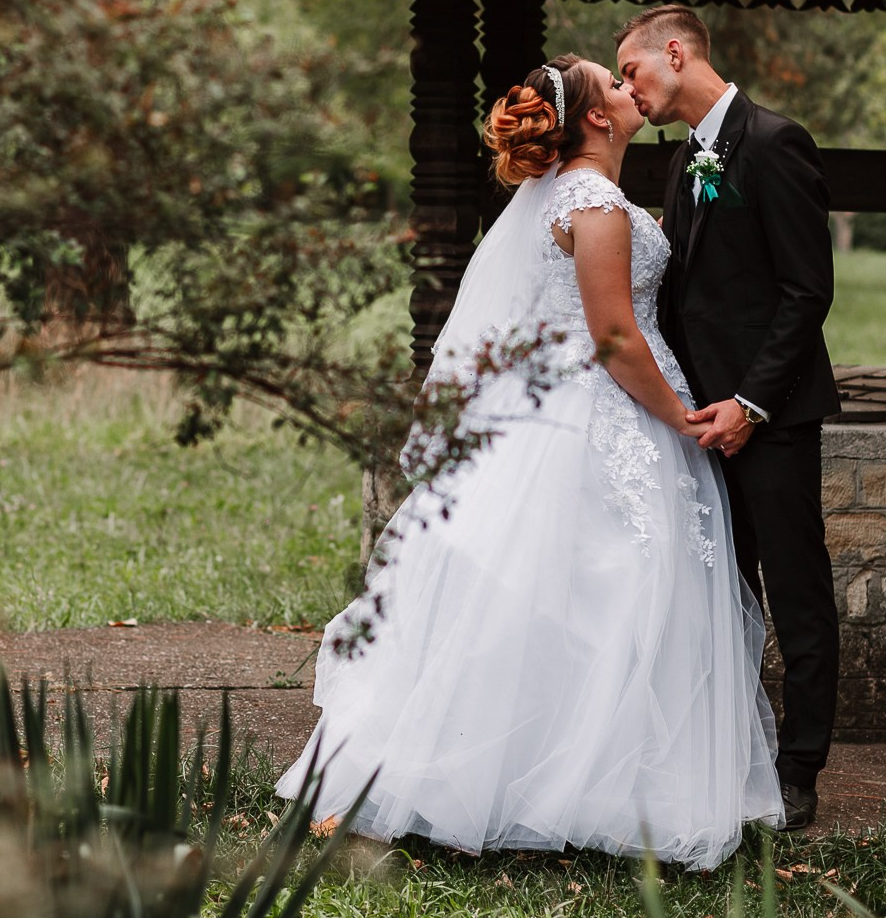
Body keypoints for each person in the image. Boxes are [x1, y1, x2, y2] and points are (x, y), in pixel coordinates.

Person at [273, 53, 784, 869]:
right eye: (614, 84)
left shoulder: (560, 196)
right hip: (612, 411)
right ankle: (595, 794)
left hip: (562, 408)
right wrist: (681, 420)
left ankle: (522, 782)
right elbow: (615, 338)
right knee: (618, 589)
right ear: (596, 118)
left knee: (564, 594)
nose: (628, 89)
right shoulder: (596, 203)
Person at [615, 5, 842, 831]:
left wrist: (750, 403)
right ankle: (734, 754)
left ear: (674, 54)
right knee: (721, 594)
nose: (629, 90)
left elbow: (806, 290)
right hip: (698, 424)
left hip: (769, 419)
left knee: (794, 587)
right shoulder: (686, 162)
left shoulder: (776, 143)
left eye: (632, 71)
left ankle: (802, 765)